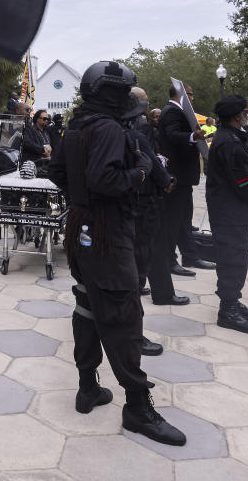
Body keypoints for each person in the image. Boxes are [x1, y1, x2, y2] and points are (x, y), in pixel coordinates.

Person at [50, 61, 185, 446]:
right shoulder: (108, 127)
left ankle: (87, 387)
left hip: (83, 229)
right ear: (112, 93)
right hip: (108, 234)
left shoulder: (77, 125)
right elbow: (106, 180)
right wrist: (142, 171)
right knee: (124, 315)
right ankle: (138, 408)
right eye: (124, 91)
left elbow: (57, 170)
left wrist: (83, 201)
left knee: (88, 305)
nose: (129, 98)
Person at [206, 96, 248, 334]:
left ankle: (232, 300)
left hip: (231, 208)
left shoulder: (231, 137)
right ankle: (228, 310)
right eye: (244, 112)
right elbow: (241, 180)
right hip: (229, 210)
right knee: (232, 258)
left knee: (237, 256)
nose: (247, 115)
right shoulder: (228, 141)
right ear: (235, 116)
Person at [128, 87, 172, 356]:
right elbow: (148, 163)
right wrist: (164, 179)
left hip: (128, 205)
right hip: (141, 204)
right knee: (137, 265)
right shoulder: (135, 128)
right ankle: (133, 334)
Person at [158, 84, 214, 285]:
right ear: (181, 95)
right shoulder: (172, 111)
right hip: (177, 174)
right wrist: (193, 136)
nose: (193, 98)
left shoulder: (178, 111)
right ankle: (169, 260)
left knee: (184, 219)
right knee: (173, 220)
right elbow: (173, 136)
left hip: (184, 177)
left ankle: (190, 255)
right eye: (190, 95)